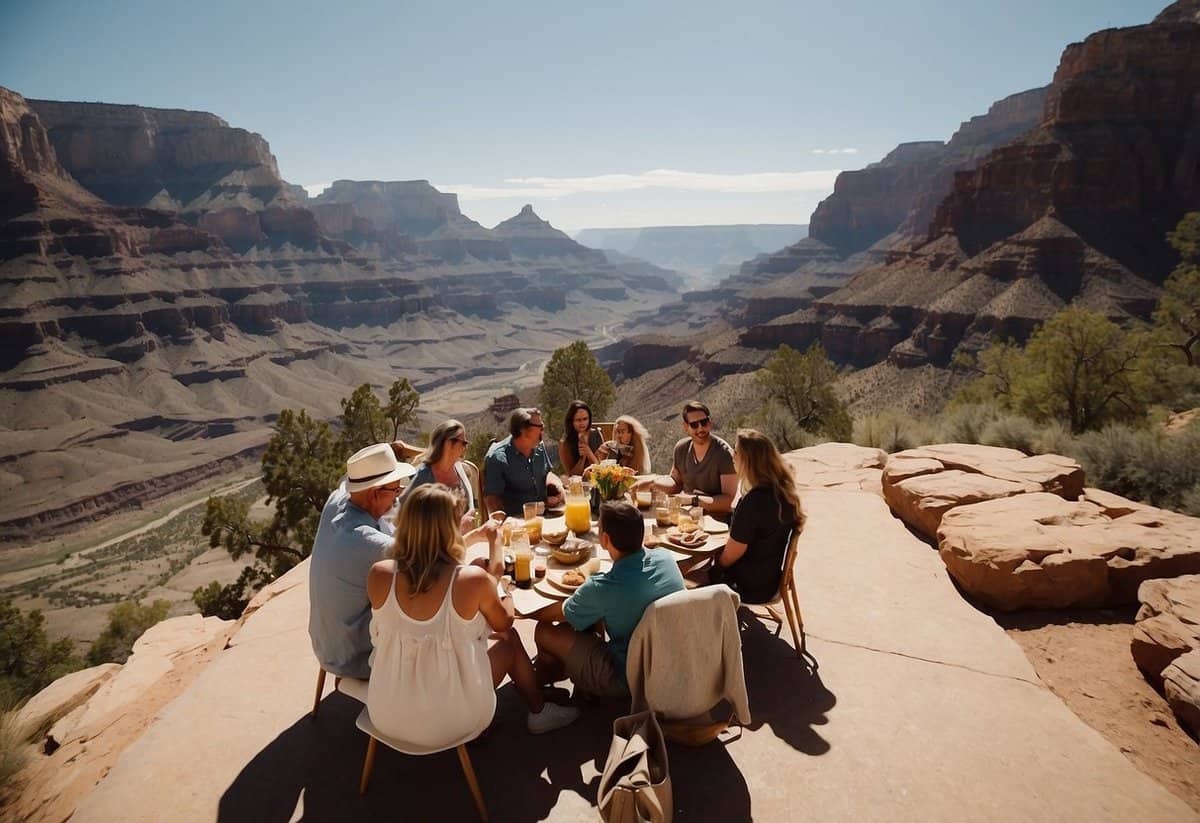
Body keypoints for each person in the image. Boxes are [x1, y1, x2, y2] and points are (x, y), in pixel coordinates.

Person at [366, 484, 579, 744]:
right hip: (450, 721)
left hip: (385, 713)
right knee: (509, 639)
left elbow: (427, 568)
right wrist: (499, 582)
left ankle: (538, 698)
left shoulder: (379, 574)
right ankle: (539, 711)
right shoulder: (471, 581)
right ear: (447, 530)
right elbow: (504, 621)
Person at [533, 500, 684, 699]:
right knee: (596, 616)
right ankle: (572, 677)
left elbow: (555, 613)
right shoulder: (666, 558)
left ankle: (539, 691)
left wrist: (515, 608)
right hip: (676, 663)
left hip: (631, 678)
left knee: (544, 631)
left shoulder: (602, 589)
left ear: (605, 539)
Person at [308, 443, 416, 679]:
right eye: (395, 490)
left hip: (327, 642)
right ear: (375, 492)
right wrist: (470, 535)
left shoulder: (338, 500)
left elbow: (346, 481)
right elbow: (425, 558)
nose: (397, 498)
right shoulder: (366, 541)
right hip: (354, 656)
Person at [707, 429, 804, 603]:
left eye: (736, 452)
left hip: (749, 587)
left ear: (748, 461)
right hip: (769, 578)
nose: (732, 456)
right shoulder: (782, 492)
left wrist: (714, 566)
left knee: (694, 576)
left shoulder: (754, 501)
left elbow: (732, 554)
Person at [636, 401, 737, 517]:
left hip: (718, 520)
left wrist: (693, 500)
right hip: (687, 517)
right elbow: (675, 483)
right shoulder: (681, 448)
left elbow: (728, 500)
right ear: (685, 427)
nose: (700, 429)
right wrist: (653, 483)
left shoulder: (724, 454)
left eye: (704, 423)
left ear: (710, 422)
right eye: (694, 425)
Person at [484, 408, 564, 516]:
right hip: (517, 522)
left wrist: (556, 485)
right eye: (540, 427)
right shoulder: (497, 457)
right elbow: (492, 501)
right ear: (524, 430)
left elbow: (546, 473)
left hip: (545, 515)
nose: (543, 431)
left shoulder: (539, 447)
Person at [405, 419, 476, 519]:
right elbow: (404, 511)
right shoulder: (422, 476)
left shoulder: (462, 471)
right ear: (449, 444)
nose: (465, 448)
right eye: (463, 443)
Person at [558, 400, 604, 477]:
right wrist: (582, 458)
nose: (582, 423)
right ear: (571, 421)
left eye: (585, 419)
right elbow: (572, 475)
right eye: (578, 420)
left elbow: (601, 469)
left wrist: (589, 452)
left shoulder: (596, 434)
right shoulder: (565, 443)